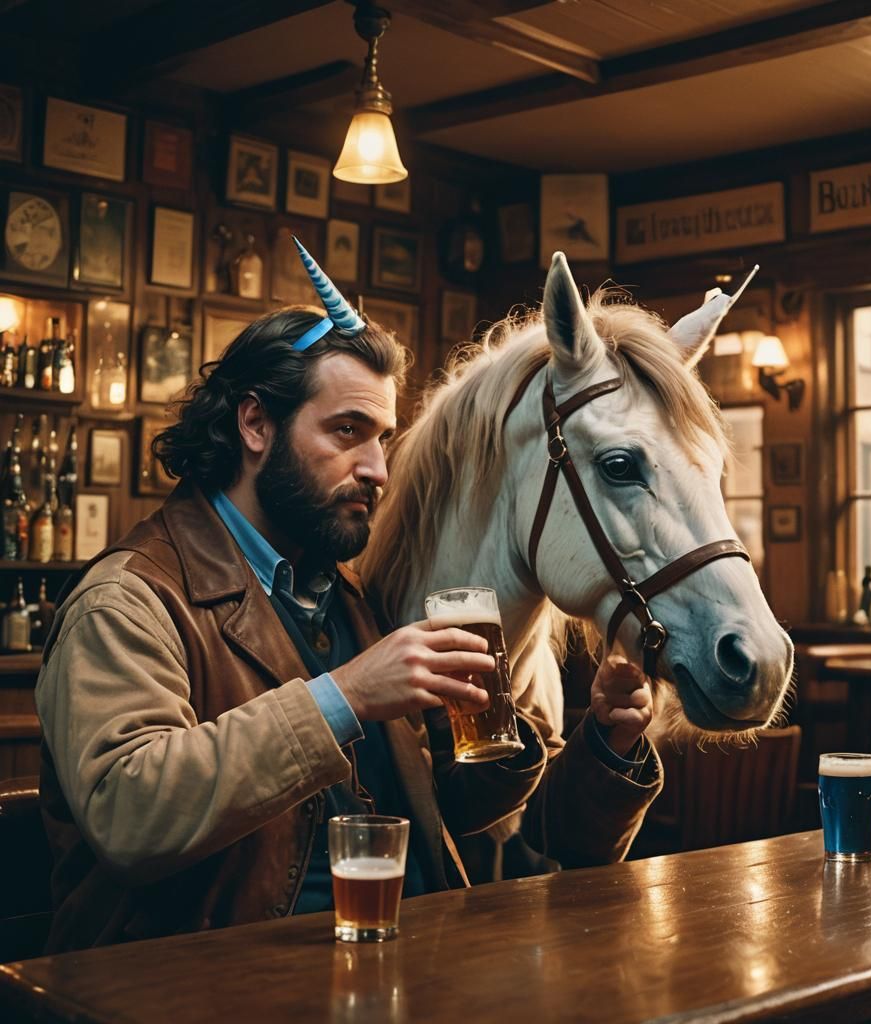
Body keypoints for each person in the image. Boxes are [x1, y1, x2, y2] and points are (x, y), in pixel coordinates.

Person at [35, 241, 662, 953]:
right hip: (203, 987)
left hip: (397, 968)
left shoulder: (347, 595)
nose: (376, 470)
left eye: (384, 437)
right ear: (255, 424)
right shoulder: (126, 601)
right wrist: (345, 697)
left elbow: (453, 817)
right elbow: (129, 813)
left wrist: (602, 747)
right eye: (346, 431)